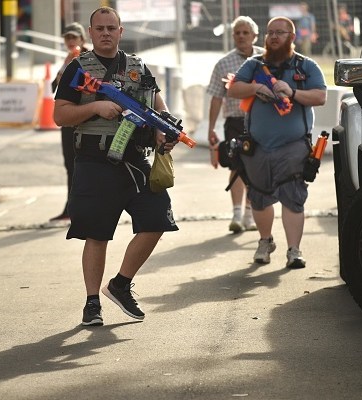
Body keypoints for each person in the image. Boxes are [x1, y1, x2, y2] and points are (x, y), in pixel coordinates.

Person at [53, 6, 179, 326]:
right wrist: (96, 106)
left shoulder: (137, 66)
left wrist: (164, 130)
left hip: (135, 159)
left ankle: (120, 284)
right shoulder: (78, 68)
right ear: (91, 32)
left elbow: (157, 105)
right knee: (97, 234)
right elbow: (60, 115)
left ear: (121, 31)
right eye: (100, 28)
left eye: (112, 28)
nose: (106, 33)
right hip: (94, 160)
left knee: (158, 218)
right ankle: (92, 303)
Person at [227, 16, 326, 269]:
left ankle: (294, 250)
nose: (273, 36)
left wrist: (292, 92)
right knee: (259, 197)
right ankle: (265, 241)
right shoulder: (254, 64)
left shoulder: (306, 66)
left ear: (292, 37)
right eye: (270, 32)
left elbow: (320, 96)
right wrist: (254, 89)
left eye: (280, 32)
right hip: (257, 146)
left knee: (293, 197)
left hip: (294, 146)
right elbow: (233, 89)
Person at [207, 16, 263, 234]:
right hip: (235, 122)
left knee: (256, 167)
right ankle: (237, 214)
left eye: (245, 32)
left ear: (255, 36)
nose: (241, 36)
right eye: (237, 33)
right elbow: (216, 98)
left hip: (262, 121)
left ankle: (250, 214)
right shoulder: (223, 63)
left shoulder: (266, 58)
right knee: (237, 165)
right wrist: (211, 128)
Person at [49, 22, 89, 222]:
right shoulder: (68, 59)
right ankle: (71, 208)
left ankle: (80, 208)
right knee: (70, 164)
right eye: (68, 38)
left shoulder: (87, 57)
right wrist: (63, 69)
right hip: (66, 119)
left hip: (82, 118)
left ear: (82, 39)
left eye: (74, 37)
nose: (71, 41)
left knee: (84, 165)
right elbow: (54, 87)